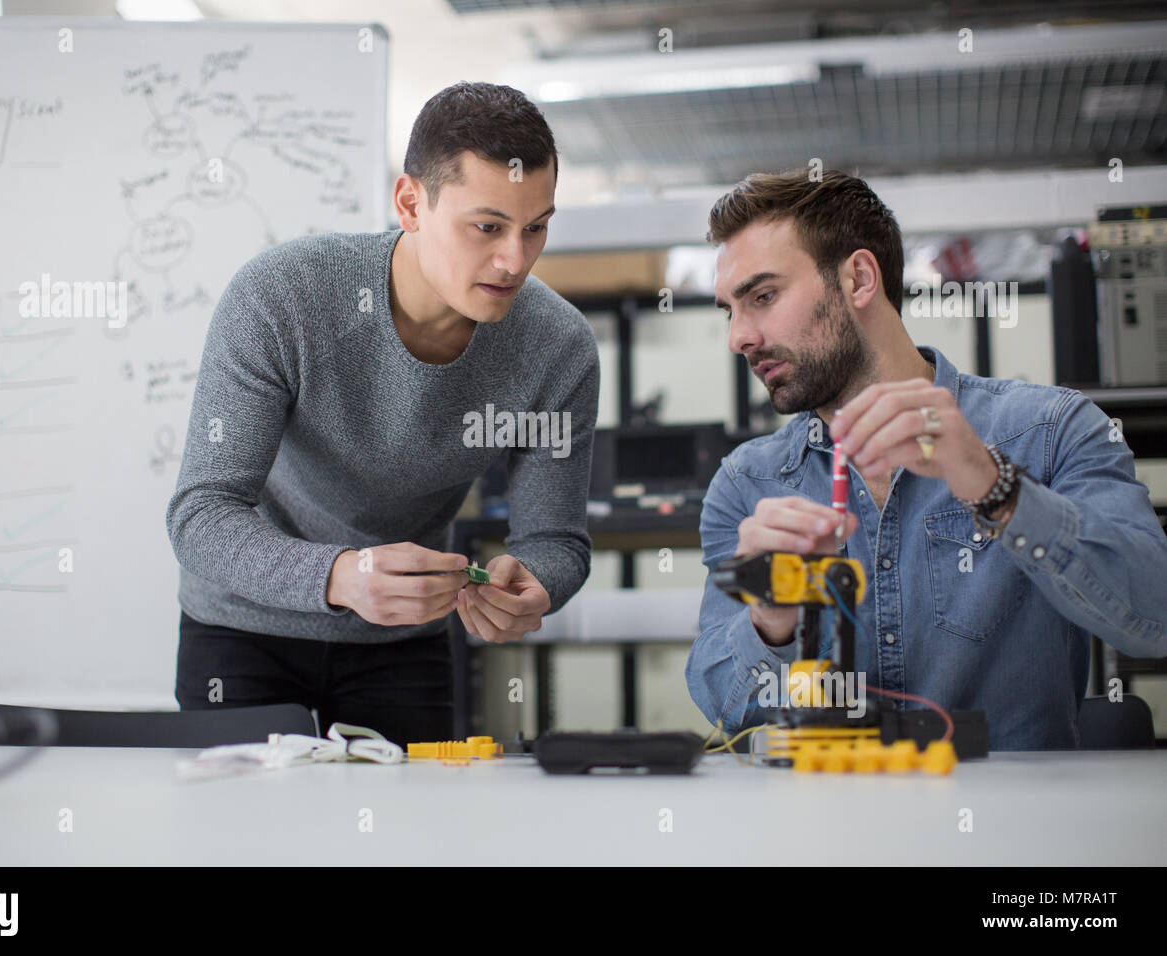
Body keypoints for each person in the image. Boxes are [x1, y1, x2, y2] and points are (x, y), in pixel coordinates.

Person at [166, 82, 600, 745]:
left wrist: (539, 582)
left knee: (406, 841)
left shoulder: (557, 348)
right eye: (487, 226)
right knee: (244, 842)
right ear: (411, 204)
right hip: (242, 632)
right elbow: (202, 516)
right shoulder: (281, 298)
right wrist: (340, 577)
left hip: (401, 643)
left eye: (535, 228)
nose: (515, 260)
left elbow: (555, 539)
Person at [687, 168, 1167, 750]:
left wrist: (997, 490)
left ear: (859, 278)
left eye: (762, 297)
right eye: (728, 311)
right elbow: (723, 701)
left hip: (1017, 829)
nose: (739, 336)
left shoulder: (1049, 431)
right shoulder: (747, 485)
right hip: (828, 827)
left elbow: (1153, 619)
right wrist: (770, 619)